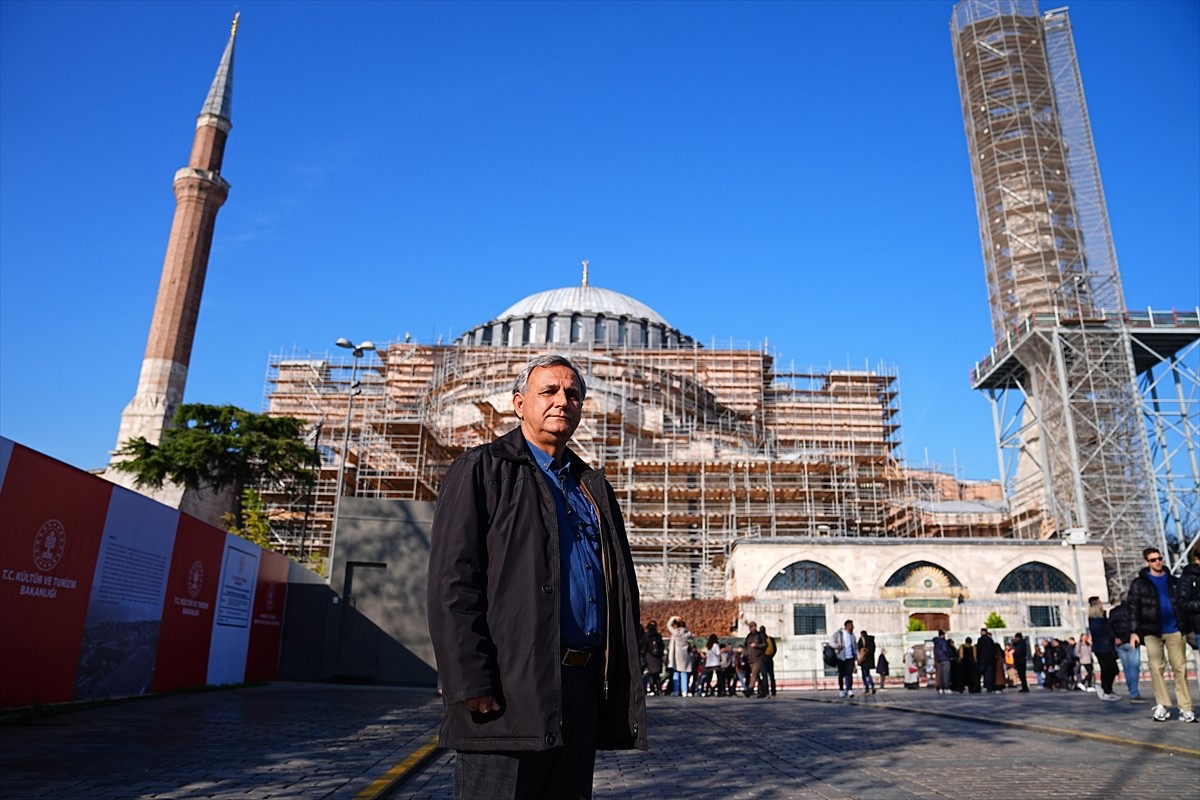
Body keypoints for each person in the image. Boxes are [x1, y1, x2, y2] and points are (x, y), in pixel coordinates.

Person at [427, 354, 647, 800]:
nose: (562, 401)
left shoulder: (592, 488)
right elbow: (452, 584)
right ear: (518, 403)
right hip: (509, 686)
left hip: (581, 687)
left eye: (573, 394)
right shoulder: (482, 469)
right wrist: (471, 680)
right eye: (549, 391)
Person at [1128, 547, 1195, 723]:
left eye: (1159, 558)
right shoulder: (1139, 584)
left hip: (1175, 629)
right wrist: (1134, 632)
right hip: (1151, 631)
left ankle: (1186, 707)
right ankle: (1162, 704)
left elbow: (1182, 603)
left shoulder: (1173, 581)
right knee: (1156, 667)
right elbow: (1133, 609)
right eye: (1153, 560)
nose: (1157, 562)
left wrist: (1186, 625)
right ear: (1147, 562)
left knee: (1180, 668)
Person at [1109, 591, 1143, 702]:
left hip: (1119, 642)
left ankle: (1131, 690)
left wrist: (1115, 638)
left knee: (1127, 668)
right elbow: (1135, 626)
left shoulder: (1113, 612)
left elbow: (1110, 627)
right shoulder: (1134, 611)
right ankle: (1134, 692)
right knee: (1134, 667)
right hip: (1131, 641)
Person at [1087, 597, 1121, 702]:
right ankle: (1106, 690)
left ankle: (1107, 689)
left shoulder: (1099, 618)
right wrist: (1111, 637)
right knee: (1109, 669)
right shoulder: (1096, 620)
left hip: (1104, 646)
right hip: (1103, 647)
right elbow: (1104, 631)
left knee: (1109, 669)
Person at [831, 620, 858, 698]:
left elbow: (855, 647)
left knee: (849, 673)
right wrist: (838, 646)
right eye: (851, 625)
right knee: (841, 674)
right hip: (841, 657)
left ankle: (849, 689)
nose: (853, 627)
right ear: (847, 626)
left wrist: (857, 657)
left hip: (850, 657)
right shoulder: (838, 634)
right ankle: (841, 690)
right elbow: (831, 642)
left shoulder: (852, 636)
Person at [667, 617, 692, 697]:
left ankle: (676, 690)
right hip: (685, 655)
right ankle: (684, 691)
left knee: (676, 673)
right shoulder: (687, 634)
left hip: (676, 655)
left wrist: (673, 618)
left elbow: (668, 625)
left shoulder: (676, 633)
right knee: (684, 673)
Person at [743, 621, 768, 697]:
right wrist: (745, 654)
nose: (751, 628)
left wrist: (756, 645)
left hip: (758, 658)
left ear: (755, 627)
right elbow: (745, 646)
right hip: (750, 658)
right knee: (756, 676)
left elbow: (764, 645)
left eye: (752, 626)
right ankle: (763, 691)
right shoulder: (749, 636)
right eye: (750, 627)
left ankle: (749, 689)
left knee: (754, 674)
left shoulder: (760, 635)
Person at [640, 621, 664, 696]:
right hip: (658, 657)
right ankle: (659, 689)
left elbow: (644, 646)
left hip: (649, 656)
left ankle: (652, 689)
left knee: (651, 675)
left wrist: (642, 653)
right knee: (657, 675)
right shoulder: (658, 636)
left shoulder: (647, 636)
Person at [976, 628, 997, 693]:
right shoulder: (990, 640)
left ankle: (978, 687)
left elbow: (978, 649)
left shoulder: (980, 640)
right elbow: (994, 650)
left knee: (980, 673)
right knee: (990, 674)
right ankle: (989, 687)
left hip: (983, 660)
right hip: (990, 660)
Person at [759, 625, 778, 697]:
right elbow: (775, 649)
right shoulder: (770, 638)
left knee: (764, 675)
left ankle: (765, 691)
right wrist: (771, 656)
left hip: (763, 658)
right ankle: (773, 691)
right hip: (770, 658)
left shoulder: (761, 638)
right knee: (771, 675)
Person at [858, 628, 877, 696]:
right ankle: (872, 685)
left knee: (864, 674)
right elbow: (873, 650)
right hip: (870, 660)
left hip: (864, 660)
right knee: (868, 673)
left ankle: (867, 688)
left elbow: (859, 648)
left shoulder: (862, 640)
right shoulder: (871, 641)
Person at [932, 630, 952, 694]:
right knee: (946, 674)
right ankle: (946, 688)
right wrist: (950, 656)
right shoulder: (943, 642)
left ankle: (941, 688)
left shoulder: (936, 642)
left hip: (939, 659)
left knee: (941, 675)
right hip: (945, 659)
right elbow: (945, 650)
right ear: (943, 635)